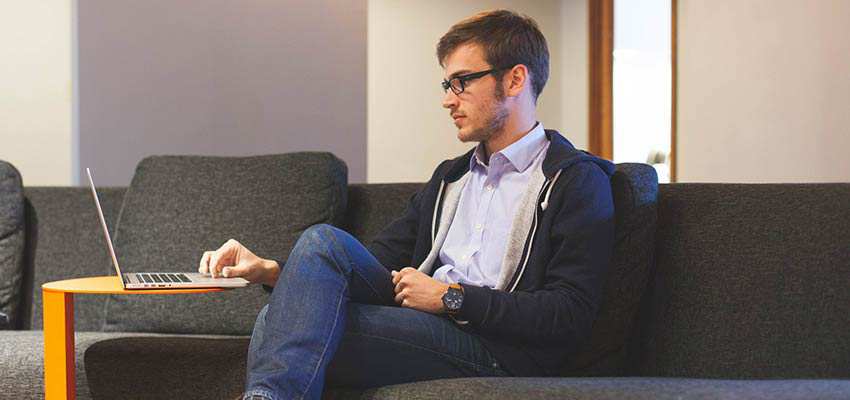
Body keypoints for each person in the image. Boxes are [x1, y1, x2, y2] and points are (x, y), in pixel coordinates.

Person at [199, 9, 615, 400]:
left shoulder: (574, 180)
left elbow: (568, 312)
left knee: (278, 322)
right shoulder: (451, 178)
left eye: (462, 81)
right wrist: (273, 271)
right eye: (446, 85)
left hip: (499, 349)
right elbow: (375, 262)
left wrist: (450, 297)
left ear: (515, 80)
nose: (448, 100)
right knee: (323, 242)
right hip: (427, 324)